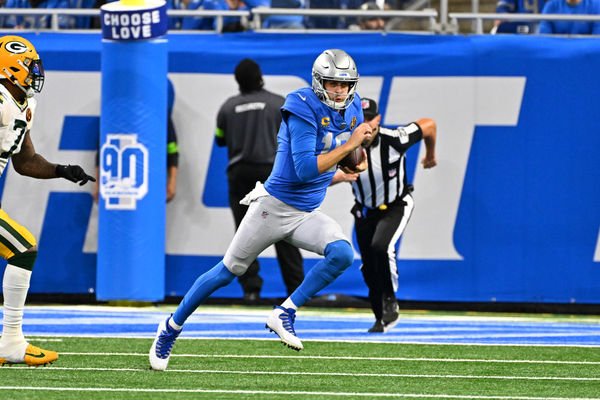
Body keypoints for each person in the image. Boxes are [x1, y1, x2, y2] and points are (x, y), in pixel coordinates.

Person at [149, 48, 372, 370]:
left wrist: (349, 166)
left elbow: (332, 165)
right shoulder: (301, 104)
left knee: (342, 255)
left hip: (306, 212)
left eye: (344, 84)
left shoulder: (353, 108)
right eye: (332, 83)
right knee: (226, 273)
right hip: (274, 207)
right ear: (317, 82)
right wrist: (351, 146)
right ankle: (170, 327)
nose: (339, 91)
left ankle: (284, 312)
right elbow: (306, 168)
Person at [0, 35, 95, 366]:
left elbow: (25, 162)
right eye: (29, 68)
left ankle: (10, 341)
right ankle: (10, 342)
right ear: (11, 69)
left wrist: (62, 170)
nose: (35, 74)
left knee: (22, 248)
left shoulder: (22, 105)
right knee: (23, 248)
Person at [215, 58, 304, 301]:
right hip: (272, 174)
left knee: (246, 232)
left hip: (240, 175)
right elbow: (295, 136)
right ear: (260, 77)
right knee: (285, 229)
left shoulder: (228, 107)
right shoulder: (279, 103)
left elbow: (220, 139)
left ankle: (251, 290)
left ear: (238, 81)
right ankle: (296, 290)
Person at [350, 98, 436, 333]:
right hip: (365, 210)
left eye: (370, 119)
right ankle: (381, 316)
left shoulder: (395, 138)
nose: (366, 125)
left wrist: (430, 155)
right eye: (361, 120)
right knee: (368, 267)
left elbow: (428, 125)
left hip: (396, 204)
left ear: (378, 119)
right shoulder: (344, 143)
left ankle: (390, 298)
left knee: (381, 247)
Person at [93, 78, 179, 203]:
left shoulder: (160, 114)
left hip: (151, 183)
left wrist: (172, 182)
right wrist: (97, 183)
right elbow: (101, 150)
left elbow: (172, 149)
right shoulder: (114, 114)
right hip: (118, 185)